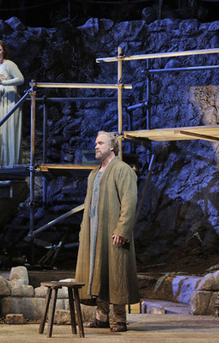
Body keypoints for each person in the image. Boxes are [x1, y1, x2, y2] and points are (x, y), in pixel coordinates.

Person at [75, 131, 139, 333]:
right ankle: (101, 317)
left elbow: (129, 202)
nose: (96, 146)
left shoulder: (122, 170)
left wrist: (122, 229)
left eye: (100, 143)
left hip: (113, 231)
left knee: (116, 272)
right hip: (94, 233)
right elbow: (88, 205)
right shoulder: (93, 174)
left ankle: (120, 318)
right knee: (98, 272)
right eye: (95, 143)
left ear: (112, 147)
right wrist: (83, 230)